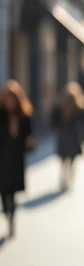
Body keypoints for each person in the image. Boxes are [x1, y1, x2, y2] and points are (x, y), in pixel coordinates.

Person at [0, 79, 35, 238]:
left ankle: (12, 219)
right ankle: (7, 213)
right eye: (8, 97)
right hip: (2, 160)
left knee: (12, 193)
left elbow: (29, 138)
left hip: (16, 160)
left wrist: (29, 142)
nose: (10, 101)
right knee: (3, 192)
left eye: (13, 98)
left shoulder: (24, 115)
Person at [51, 81, 84, 191]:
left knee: (66, 161)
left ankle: (65, 178)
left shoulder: (76, 107)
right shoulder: (63, 106)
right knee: (69, 161)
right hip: (70, 138)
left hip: (68, 138)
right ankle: (67, 178)